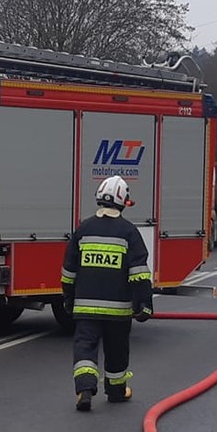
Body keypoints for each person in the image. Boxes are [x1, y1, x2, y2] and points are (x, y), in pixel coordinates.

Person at [61, 175, 154, 411]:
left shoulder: (83, 229)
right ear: (124, 201)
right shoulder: (129, 232)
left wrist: (68, 299)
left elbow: (68, 271)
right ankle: (116, 391)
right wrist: (144, 304)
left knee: (85, 347)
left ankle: (84, 389)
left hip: (85, 307)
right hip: (118, 310)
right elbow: (139, 273)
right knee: (116, 350)